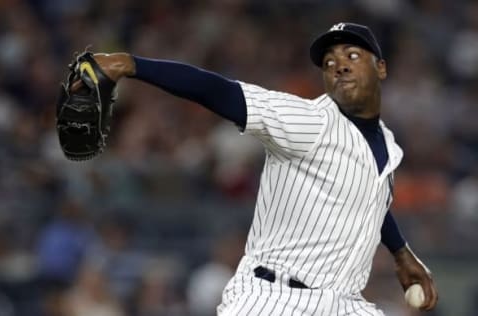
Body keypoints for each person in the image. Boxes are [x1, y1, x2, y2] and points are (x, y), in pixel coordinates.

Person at [72, 22, 438, 315]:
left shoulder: (386, 146)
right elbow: (221, 92)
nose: (338, 64)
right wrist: (131, 65)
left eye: (353, 55)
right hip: (273, 299)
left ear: (381, 67)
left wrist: (402, 253)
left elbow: (372, 198)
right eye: (329, 62)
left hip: (343, 303)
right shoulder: (309, 122)